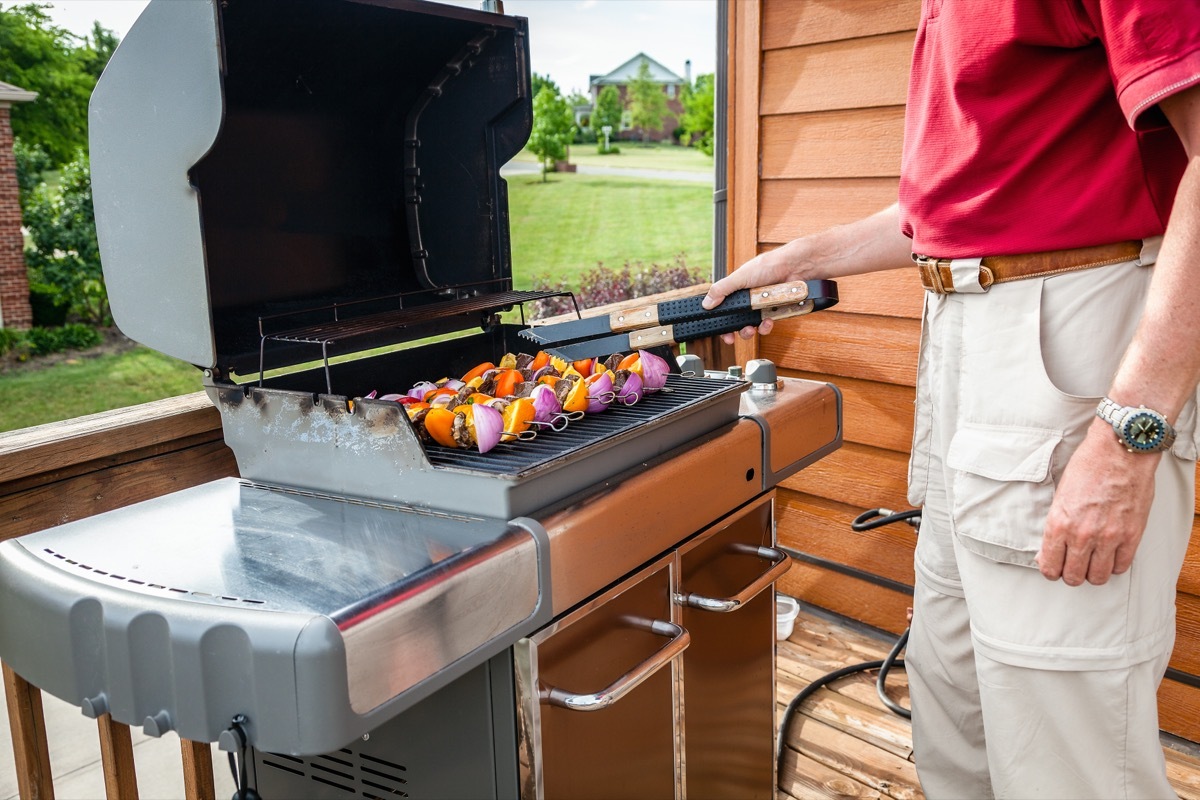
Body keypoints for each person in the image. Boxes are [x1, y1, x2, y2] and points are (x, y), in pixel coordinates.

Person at [704, 3, 1200, 797]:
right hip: (964, 348)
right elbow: (949, 210)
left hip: (1071, 353)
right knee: (954, 707)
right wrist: (794, 259)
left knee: (1065, 749)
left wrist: (1129, 432)